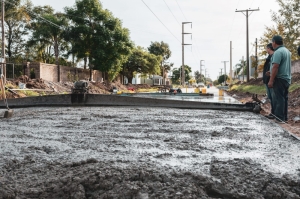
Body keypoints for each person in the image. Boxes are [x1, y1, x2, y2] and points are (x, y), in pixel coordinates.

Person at [268, 35, 292, 123]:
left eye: (272, 42)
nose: (271, 44)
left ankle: (279, 118)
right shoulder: (287, 51)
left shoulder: (278, 52)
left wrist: (271, 80)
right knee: (284, 98)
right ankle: (284, 117)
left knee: (278, 98)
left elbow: (276, 66)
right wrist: (270, 72)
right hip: (286, 78)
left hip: (279, 79)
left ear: (274, 42)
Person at [263, 43, 275, 119]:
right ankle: (273, 113)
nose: (266, 50)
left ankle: (274, 113)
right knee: (270, 97)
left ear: (269, 48)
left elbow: (274, 68)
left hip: (270, 80)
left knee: (273, 97)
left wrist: (270, 80)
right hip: (267, 80)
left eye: (266, 48)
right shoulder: (269, 57)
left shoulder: (273, 57)